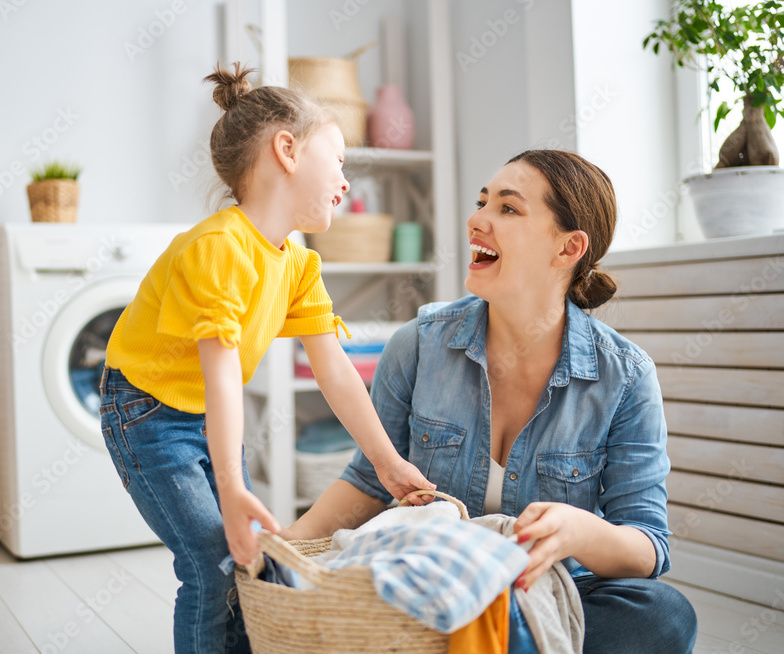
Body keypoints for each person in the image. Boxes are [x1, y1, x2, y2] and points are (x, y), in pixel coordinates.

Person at [283, 150, 699, 653]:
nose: (476, 220)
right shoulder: (418, 344)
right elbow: (370, 481)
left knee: (665, 615)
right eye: (482, 202)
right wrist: (286, 548)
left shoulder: (625, 377)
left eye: (507, 208)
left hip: (544, 591)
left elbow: (648, 546)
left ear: (568, 248)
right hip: (427, 578)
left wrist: (578, 532)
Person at [98, 62, 436, 654]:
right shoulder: (218, 248)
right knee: (210, 561)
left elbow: (334, 370)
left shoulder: (299, 261)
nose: (345, 181)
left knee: (242, 555)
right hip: (146, 412)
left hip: (203, 412)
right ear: (287, 150)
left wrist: (386, 463)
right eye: (337, 161)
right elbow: (224, 375)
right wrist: (231, 487)